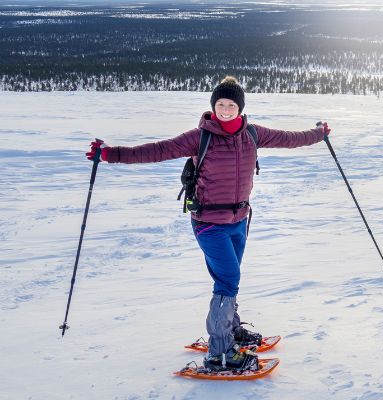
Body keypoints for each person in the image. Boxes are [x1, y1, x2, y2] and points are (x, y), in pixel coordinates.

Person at [86, 76, 330, 371]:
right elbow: (157, 150)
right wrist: (111, 154)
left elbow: (290, 138)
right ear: (213, 106)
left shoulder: (253, 134)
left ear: (240, 108)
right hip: (209, 222)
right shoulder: (200, 137)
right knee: (227, 280)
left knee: (231, 277)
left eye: (231, 105)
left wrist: (318, 134)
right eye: (220, 104)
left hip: (239, 220)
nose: (225, 109)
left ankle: (231, 330)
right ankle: (220, 352)